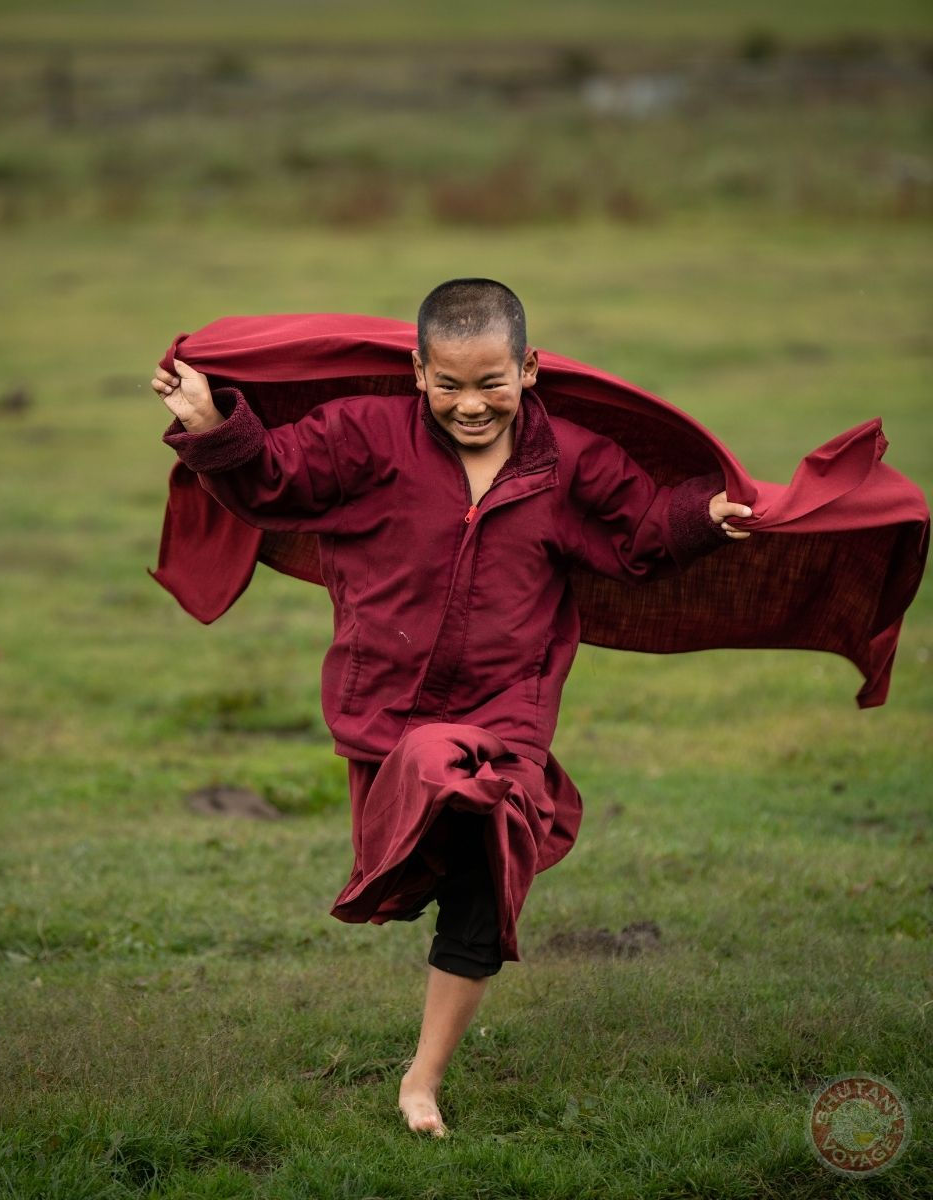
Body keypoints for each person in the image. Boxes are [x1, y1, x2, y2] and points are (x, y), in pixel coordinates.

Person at [151, 278, 752, 1137]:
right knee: (421, 844)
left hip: (507, 716)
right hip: (385, 711)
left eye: (492, 383)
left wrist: (701, 515)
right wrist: (215, 425)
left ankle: (421, 1082)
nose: (472, 405)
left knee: (487, 867)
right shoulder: (365, 436)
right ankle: (423, 874)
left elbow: (640, 534)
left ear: (529, 370)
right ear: (418, 372)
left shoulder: (569, 459)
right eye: (450, 384)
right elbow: (274, 481)